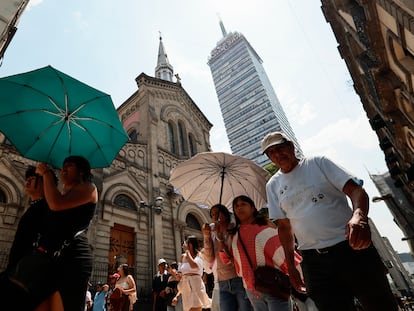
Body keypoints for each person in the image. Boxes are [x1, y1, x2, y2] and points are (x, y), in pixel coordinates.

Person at [262, 131, 398, 311]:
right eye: (272, 152)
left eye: (280, 148)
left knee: (380, 305)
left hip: (351, 249)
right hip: (314, 262)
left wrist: (358, 216)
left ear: (291, 147)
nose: (278, 155)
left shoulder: (318, 163)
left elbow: (356, 191)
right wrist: (291, 266)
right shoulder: (273, 185)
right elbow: (285, 227)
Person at [36, 155, 98, 311]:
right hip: (54, 257)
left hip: (74, 257)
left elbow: (56, 204)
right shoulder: (62, 194)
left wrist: (47, 174)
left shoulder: (90, 188)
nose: (64, 169)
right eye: (63, 165)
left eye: (69, 165)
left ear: (81, 172)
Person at [0, 165, 62, 311]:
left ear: (44, 182)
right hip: (18, 272)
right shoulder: (37, 207)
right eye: (26, 178)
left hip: (26, 276)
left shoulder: (46, 208)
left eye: (32, 179)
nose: (27, 181)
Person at [230, 195, 302, 311]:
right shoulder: (235, 236)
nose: (239, 208)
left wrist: (299, 276)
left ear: (253, 208)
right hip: (251, 289)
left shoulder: (264, 229)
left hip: (273, 286)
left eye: (243, 204)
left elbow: (282, 254)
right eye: (236, 206)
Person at [202, 204, 253, 311]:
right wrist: (207, 236)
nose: (215, 217)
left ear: (225, 214)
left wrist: (221, 238)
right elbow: (209, 259)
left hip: (239, 279)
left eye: (217, 213)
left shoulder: (235, 229)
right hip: (222, 282)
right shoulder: (213, 233)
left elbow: (233, 256)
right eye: (212, 215)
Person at [172, 236, 211, 311]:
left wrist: (187, 252)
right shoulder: (182, 257)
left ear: (190, 245)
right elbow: (179, 273)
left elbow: (194, 266)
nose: (184, 245)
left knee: (195, 308)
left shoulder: (199, 255)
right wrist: (176, 275)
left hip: (196, 285)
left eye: (186, 243)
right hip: (185, 285)